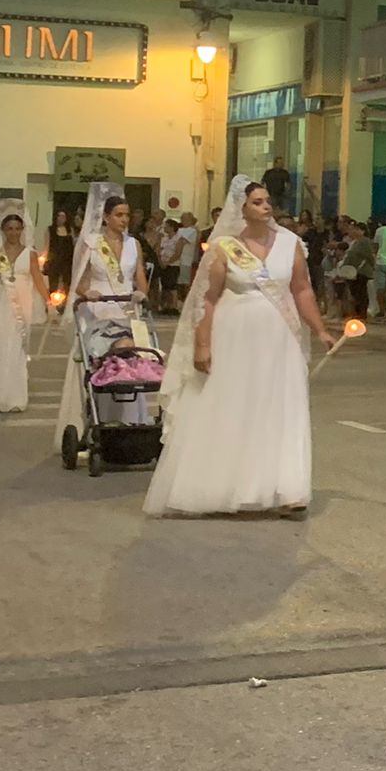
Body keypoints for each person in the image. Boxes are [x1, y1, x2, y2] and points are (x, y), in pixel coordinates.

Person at [145, 177, 335, 518]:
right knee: (234, 407)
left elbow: (302, 289)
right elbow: (209, 299)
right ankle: (222, 485)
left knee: (283, 407)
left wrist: (320, 329)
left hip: (280, 338)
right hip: (235, 336)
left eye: (267, 201)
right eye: (257, 202)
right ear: (242, 209)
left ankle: (288, 488)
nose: (265, 207)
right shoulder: (224, 247)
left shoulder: (290, 243)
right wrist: (202, 345)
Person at [54, 186, 152, 457]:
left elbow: (139, 273)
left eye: (127, 215)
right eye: (119, 214)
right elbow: (80, 280)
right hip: (96, 310)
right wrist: (88, 293)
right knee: (100, 364)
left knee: (131, 357)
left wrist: (142, 292)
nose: (124, 220)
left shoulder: (134, 244)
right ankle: (96, 423)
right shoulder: (91, 243)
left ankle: (130, 423)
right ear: (106, 217)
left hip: (125, 309)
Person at [0, 202, 48, 413]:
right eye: (10, 229)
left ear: (23, 230)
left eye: (17, 228)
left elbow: (38, 279)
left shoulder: (30, 254)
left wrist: (49, 303)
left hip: (21, 305)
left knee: (16, 349)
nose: (14, 232)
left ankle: (14, 397)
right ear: (3, 231)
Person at [336, 217, 377, 322]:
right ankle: (357, 313)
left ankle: (362, 314)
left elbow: (370, 256)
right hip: (353, 271)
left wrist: (372, 267)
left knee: (361, 293)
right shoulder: (355, 242)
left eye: (358, 229)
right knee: (355, 293)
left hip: (361, 271)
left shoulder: (365, 241)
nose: (355, 231)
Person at [47, 208, 76, 294]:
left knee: (66, 283)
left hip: (67, 261)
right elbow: (47, 244)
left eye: (63, 216)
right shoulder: (50, 229)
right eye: (59, 216)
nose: (61, 218)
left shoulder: (70, 230)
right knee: (53, 283)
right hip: (54, 260)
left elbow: (73, 244)